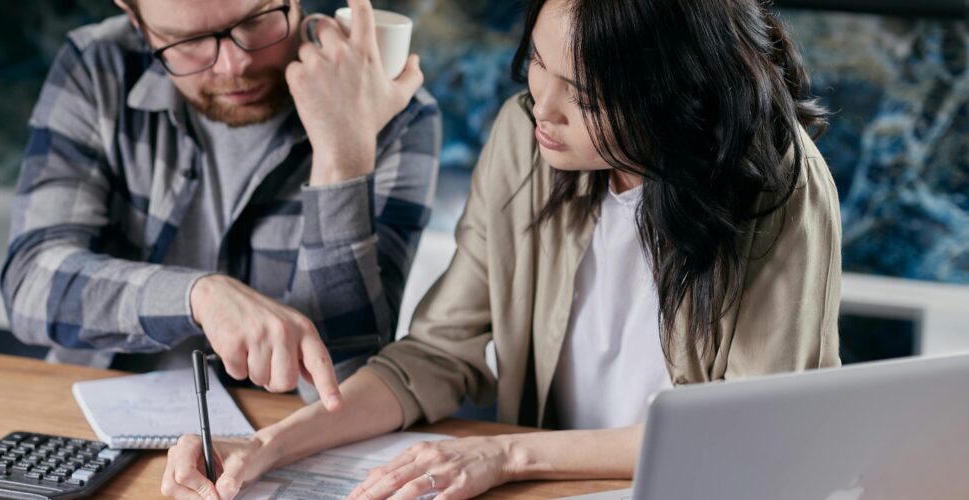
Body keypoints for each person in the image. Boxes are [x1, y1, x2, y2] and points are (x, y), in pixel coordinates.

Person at [161, 0, 842, 497]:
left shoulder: (779, 185)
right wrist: (270, 445)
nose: (540, 106)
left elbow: (751, 431)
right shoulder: (525, 140)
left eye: (582, 96)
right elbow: (433, 355)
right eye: (538, 66)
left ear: (673, 96)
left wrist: (510, 456)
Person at [1, 0, 441, 408]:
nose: (236, 64)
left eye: (256, 20)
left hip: (283, 440)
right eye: (189, 41)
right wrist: (198, 297)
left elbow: (344, 385)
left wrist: (342, 159)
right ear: (137, 20)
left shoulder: (395, 112)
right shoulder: (99, 65)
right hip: (96, 410)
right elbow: (29, 288)